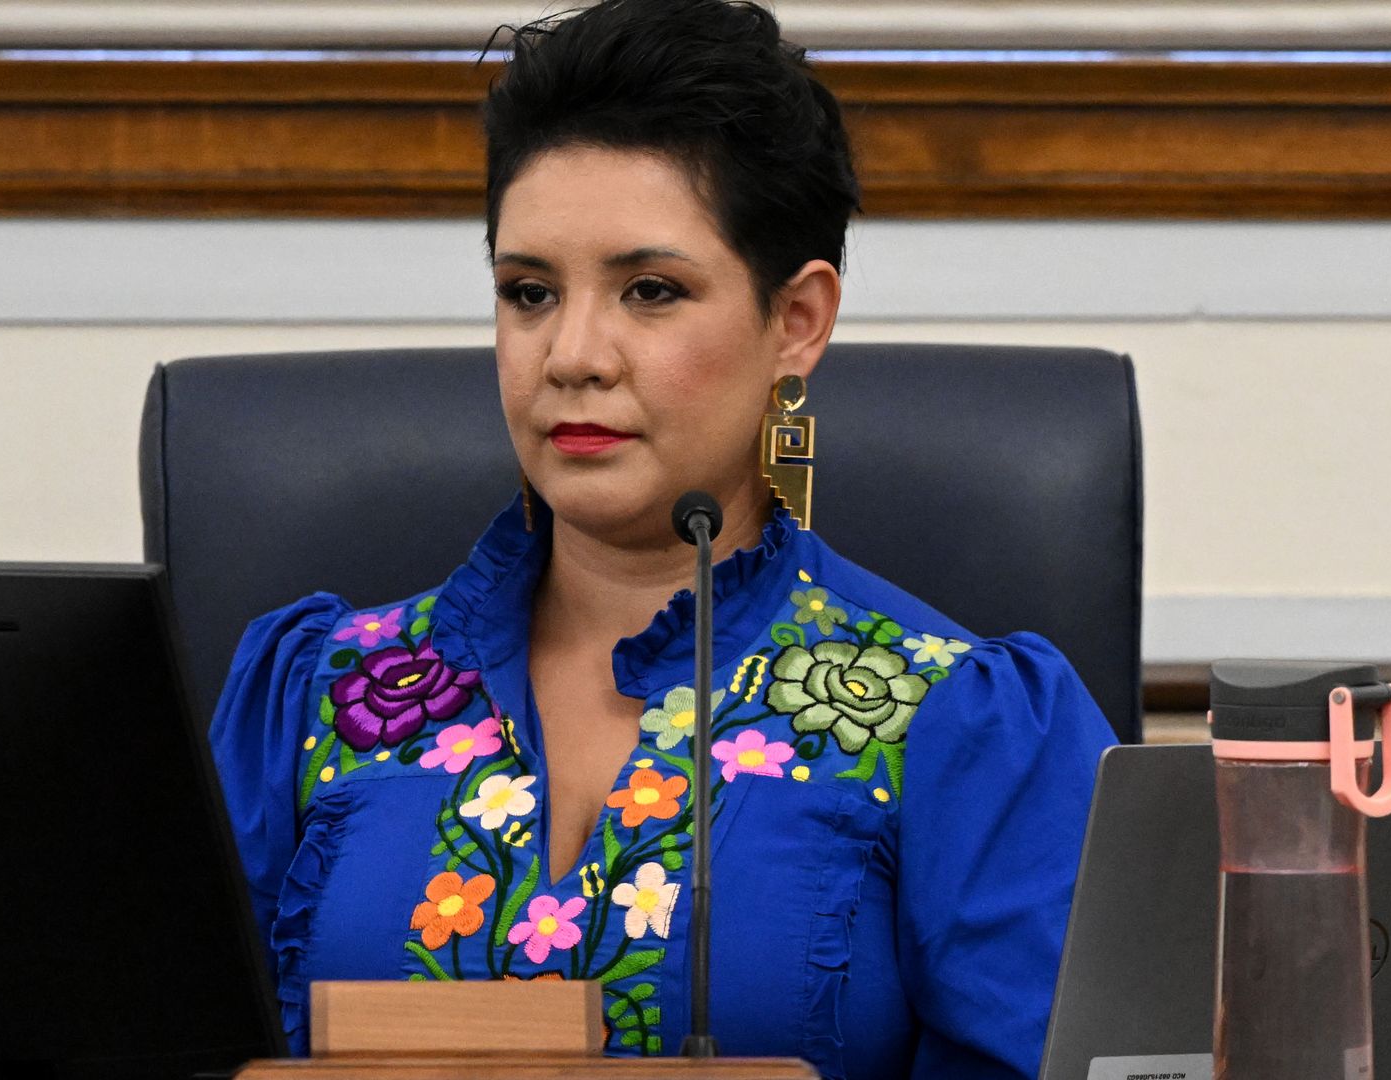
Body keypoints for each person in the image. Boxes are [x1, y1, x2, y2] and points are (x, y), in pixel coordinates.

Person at [209, 1, 1117, 1076]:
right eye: (528, 292)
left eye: (650, 291)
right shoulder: (317, 694)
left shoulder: (961, 724)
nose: (572, 353)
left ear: (798, 321)